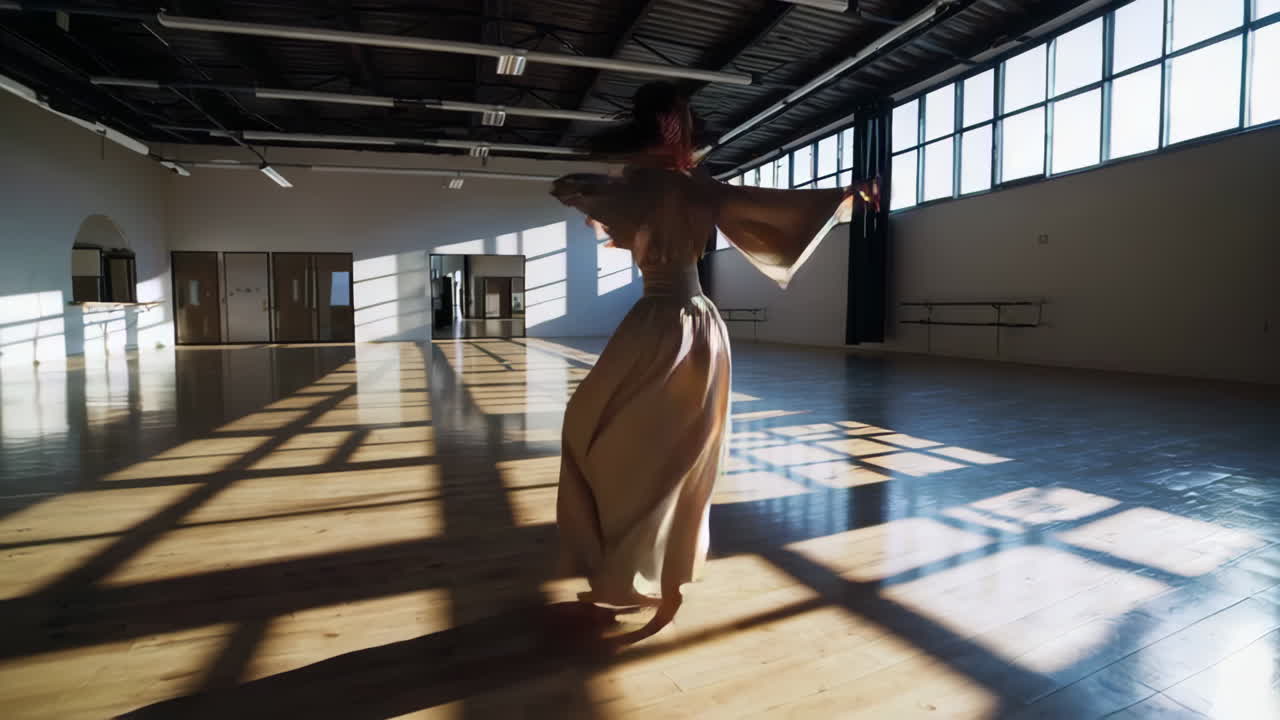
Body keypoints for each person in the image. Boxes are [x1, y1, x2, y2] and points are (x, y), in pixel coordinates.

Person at [548, 81, 879, 649]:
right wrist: (846, 198)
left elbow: (572, 189)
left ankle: (649, 574)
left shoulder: (658, 187)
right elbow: (774, 209)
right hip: (680, 323)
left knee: (647, 447)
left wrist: (843, 198)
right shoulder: (678, 187)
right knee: (646, 444)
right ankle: (631, 571)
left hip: (671, 322)